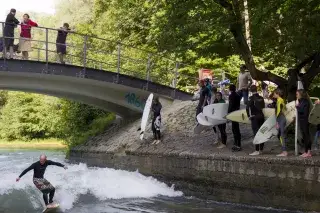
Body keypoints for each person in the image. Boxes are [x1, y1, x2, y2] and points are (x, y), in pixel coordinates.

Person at [246, 85, 265, 156]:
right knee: (262, 133)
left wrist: (249, 116)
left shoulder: (251, 98)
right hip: (261, 116)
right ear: (256, 89)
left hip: (255, 117)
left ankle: (257, 150)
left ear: (250, 90)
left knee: (256, 134)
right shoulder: (261, 98)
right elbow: (263, 107)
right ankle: (261, 150)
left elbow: (247, 108)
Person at [296, 89, 312, 157]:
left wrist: (297, 106)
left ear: (301, 94)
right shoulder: (301, 101)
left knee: (306, 136)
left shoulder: (305, 102)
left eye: (297, 94)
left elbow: (304, 112)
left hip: (305, 121)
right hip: (302, 121)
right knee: (304, 136)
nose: (296, 95)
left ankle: (308, 152)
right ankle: (306, 152)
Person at [274, 88, 287, 157]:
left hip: (280, 119)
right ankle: (284, 151)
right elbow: (285, 108)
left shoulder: (279, 100)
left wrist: (277, 122)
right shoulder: (281, 100)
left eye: (274, 94)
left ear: (277, 94)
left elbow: (278, 111)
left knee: (282, 136)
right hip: (282, 118)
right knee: (281, 135)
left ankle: (284, 152)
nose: (273, 95)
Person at [228, 84, 242, 151]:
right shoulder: (238, 95)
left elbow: (230, 105)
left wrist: (228, 113)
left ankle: (236, 144)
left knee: (234, 129)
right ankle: (238, 143)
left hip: (233, 112)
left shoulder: (231, 96)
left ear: (230, 89)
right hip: (237, 111)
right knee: (237, 128)